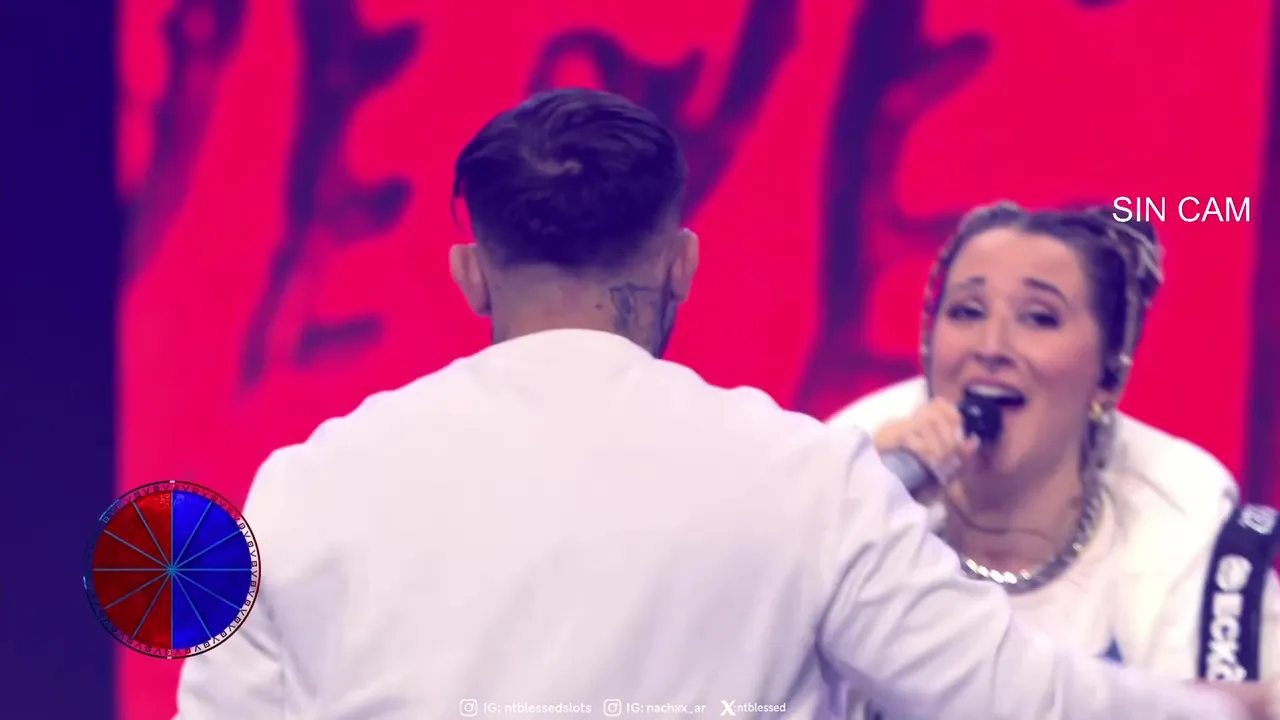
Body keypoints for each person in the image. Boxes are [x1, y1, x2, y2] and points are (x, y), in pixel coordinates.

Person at [173, 89, 1273, 719]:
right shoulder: (807, 483)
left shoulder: (304, 488)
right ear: (683, 265)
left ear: (469, 274)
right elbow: (1017, 702)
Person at [825, 202, 1280, 718]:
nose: (991, 347)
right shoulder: (849, 506)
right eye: (967, 312)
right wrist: (859, 508)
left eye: (1039, 318)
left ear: (1108, 377)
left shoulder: (1203, 563)